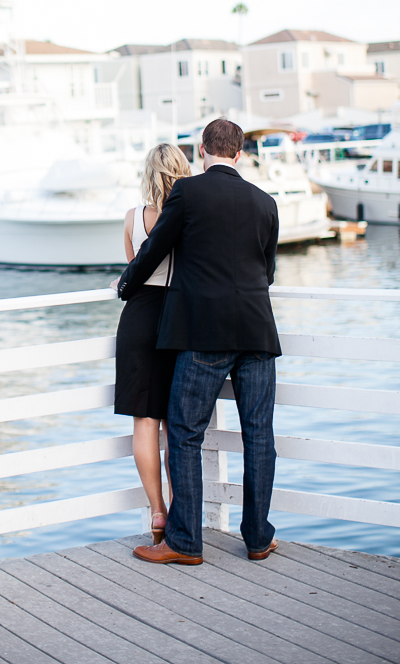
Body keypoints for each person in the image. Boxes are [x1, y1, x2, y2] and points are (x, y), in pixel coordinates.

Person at [116, 118, 281, 565]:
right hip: (257, 331)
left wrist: (126, 286)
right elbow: (267, 272)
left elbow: (154, 249)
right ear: (240, 154)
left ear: (203, 150)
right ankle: (257, 537)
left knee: (185, 431)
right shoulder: (266, 203)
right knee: (259, 435)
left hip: (204, 333)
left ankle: (185, 541)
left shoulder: (188, 194)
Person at [113, 143, 192, 544]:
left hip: (139, 320)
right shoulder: (192, 218)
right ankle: (179, 512)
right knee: (175, 422)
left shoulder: (133, 219)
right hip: (178, 321)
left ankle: (157, 512)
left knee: (143, 422)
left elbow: (133, 273)